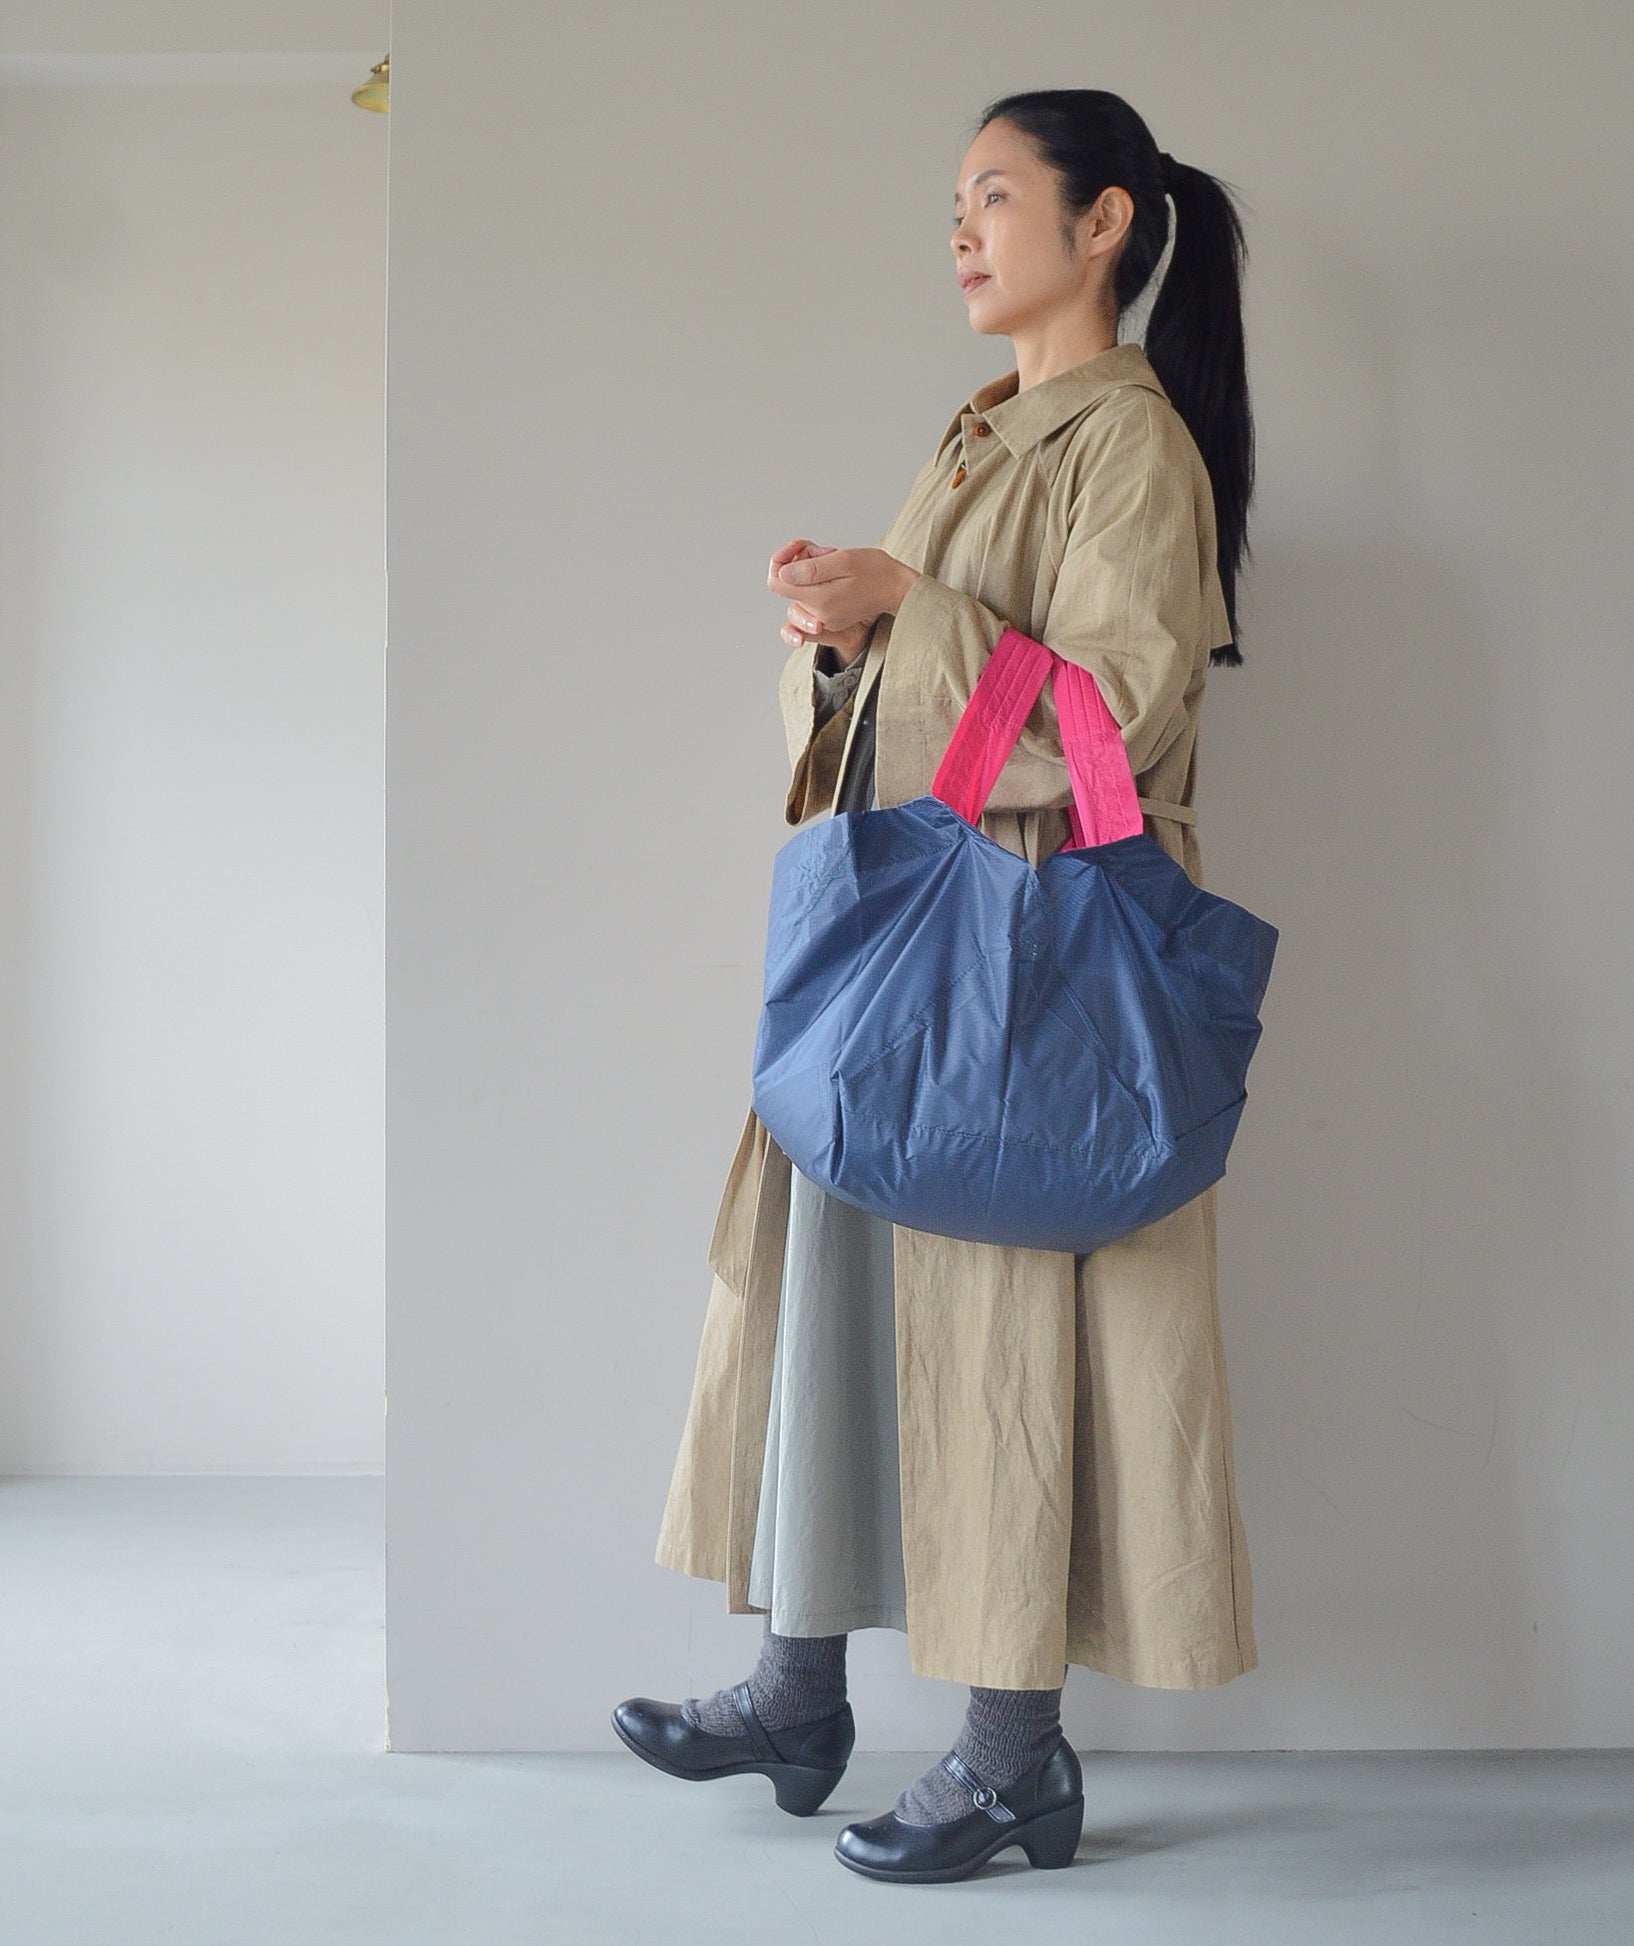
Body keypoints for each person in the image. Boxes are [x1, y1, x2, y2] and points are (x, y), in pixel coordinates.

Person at [614, 88, 1258, 1885]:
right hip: (916, 946)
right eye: (954, 204)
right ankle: (794, 1690)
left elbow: (1114, 716)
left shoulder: (1129, 445)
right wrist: (844, 641)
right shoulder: (980, 433)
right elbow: (923, 705)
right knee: (838, 1294)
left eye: (993, 197)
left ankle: (1009, 1758)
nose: (961, 232)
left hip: (1025, 964)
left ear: (1103, 222)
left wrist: (916, 608)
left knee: (1003, 1342)